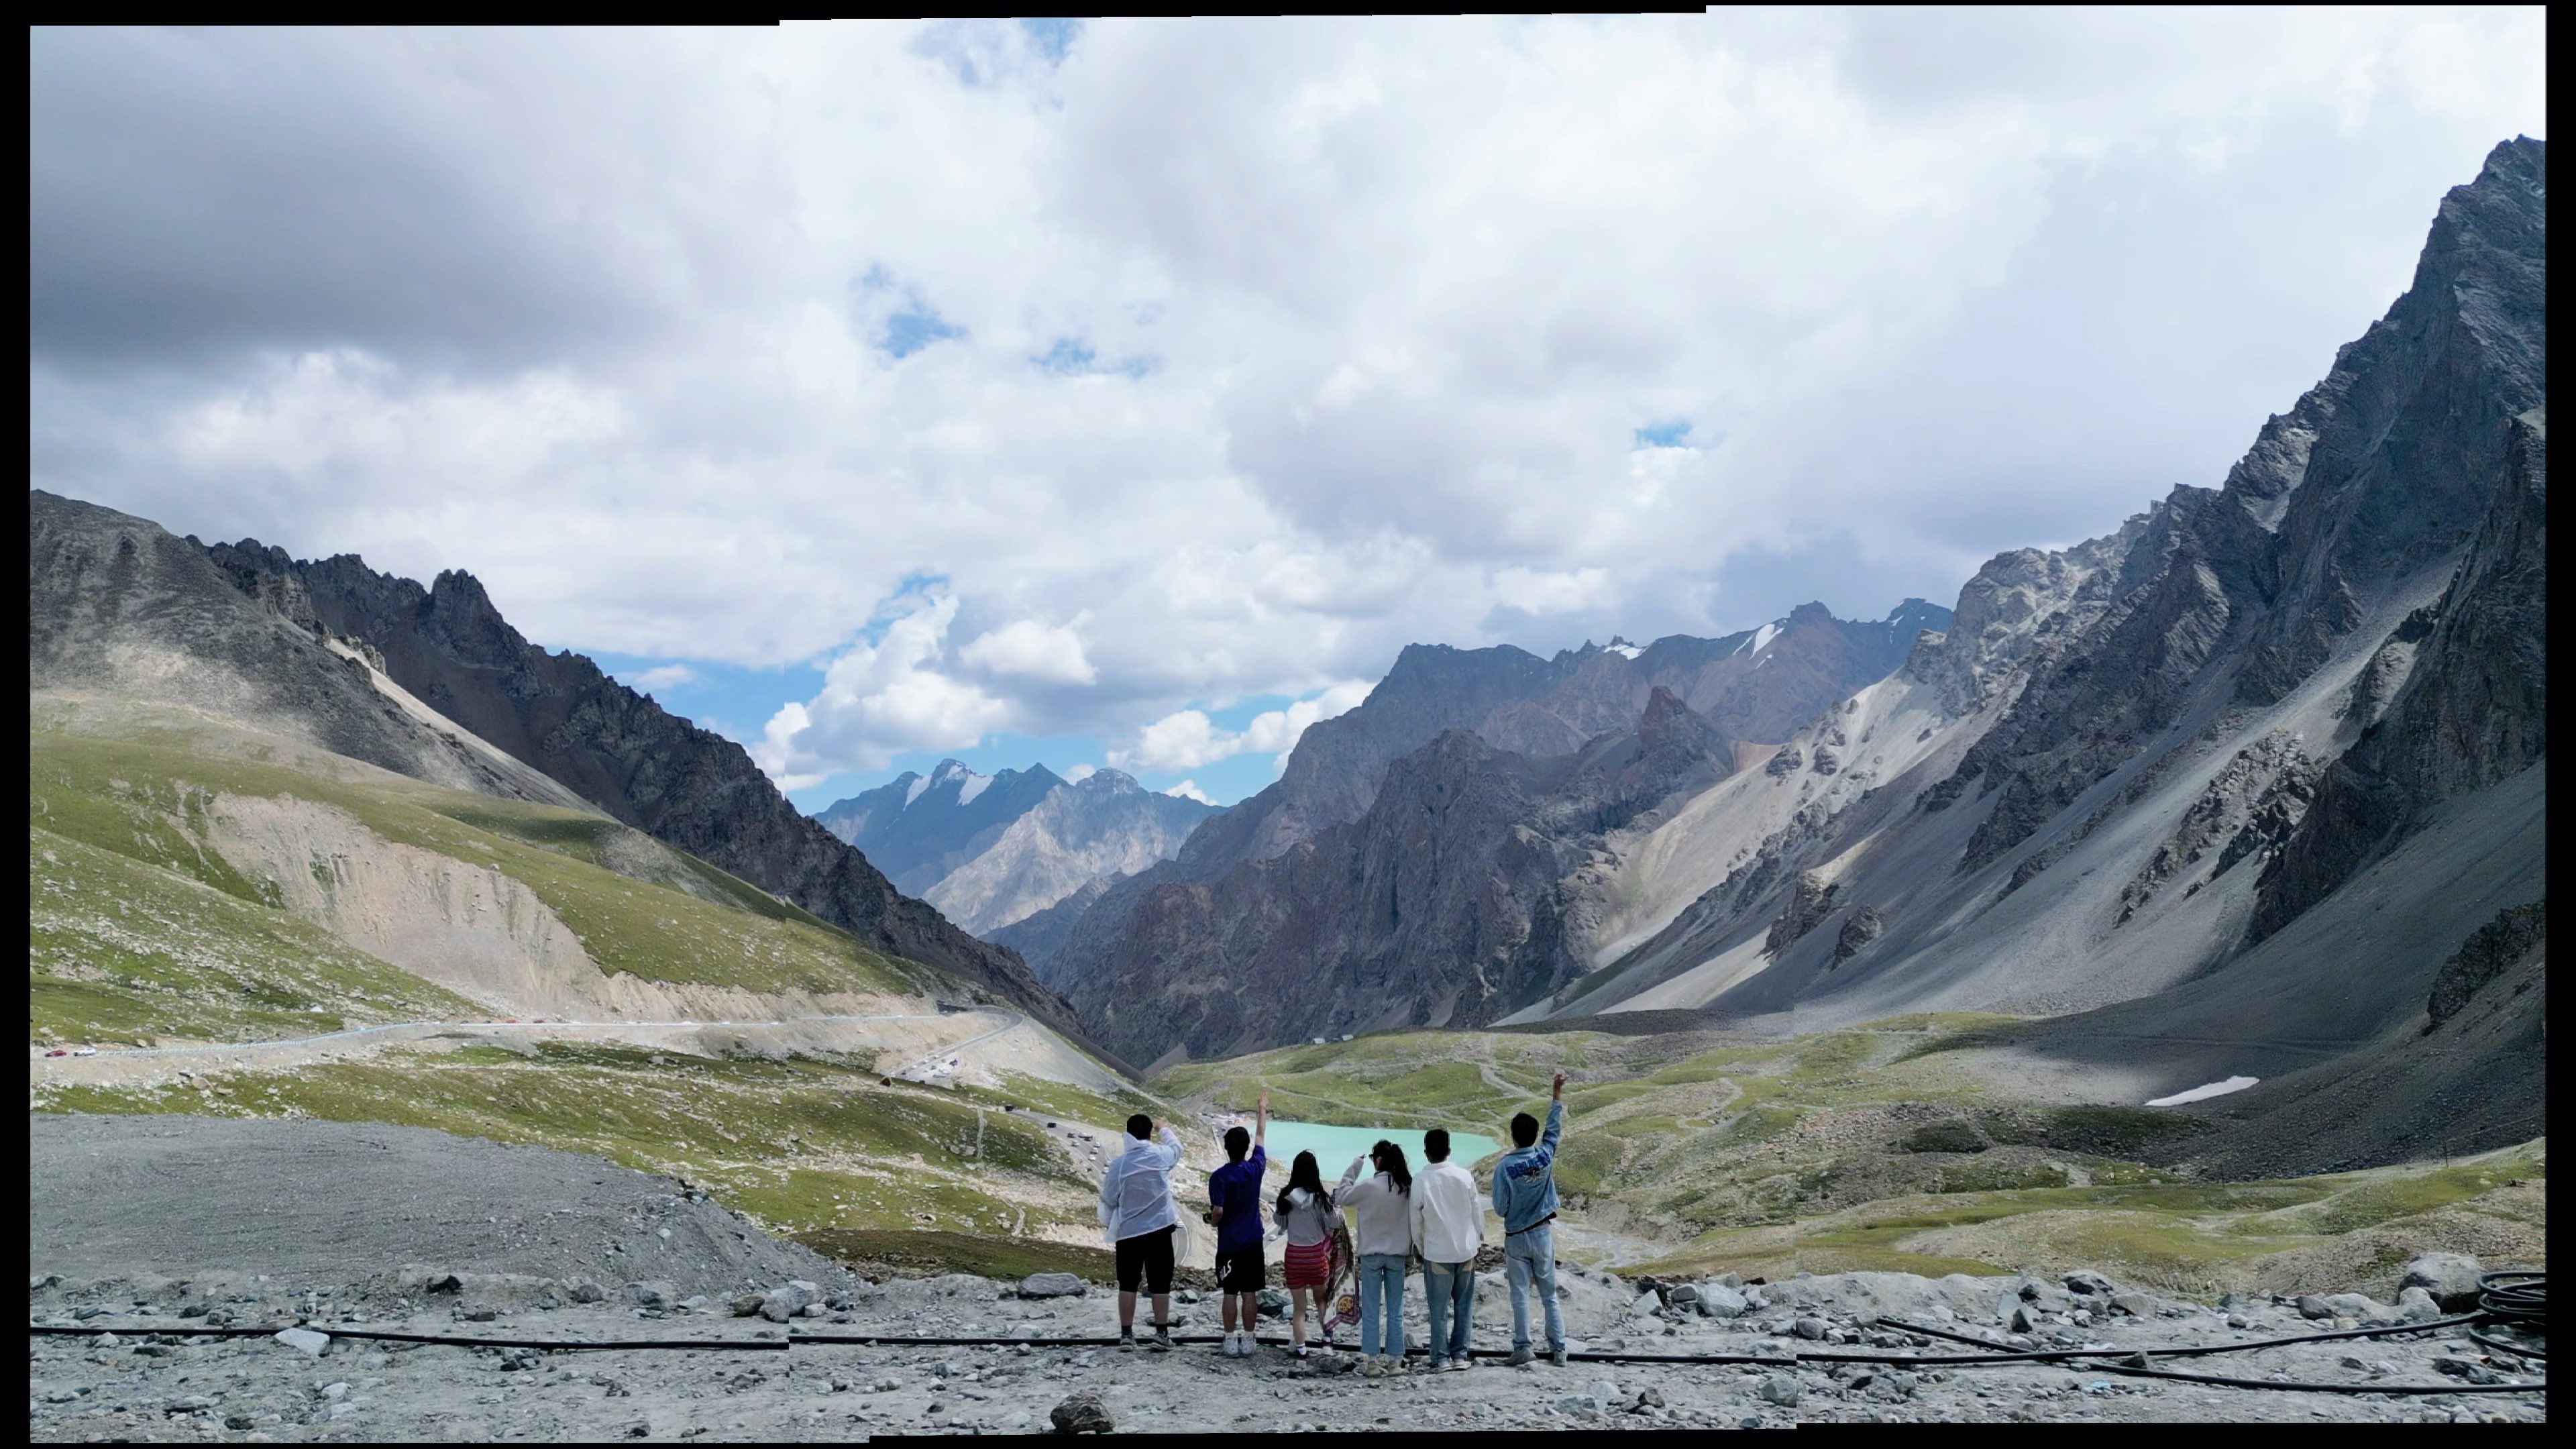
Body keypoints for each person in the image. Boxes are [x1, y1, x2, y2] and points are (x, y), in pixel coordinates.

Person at [1492, 1072, 1568, 1366]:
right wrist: (1556, 1095)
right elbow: (1554, 1132)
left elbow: (1500, 1207)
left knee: (1520, 1294)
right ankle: (1559, 1349)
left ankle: (1523, 1347)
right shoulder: (1545, 1156)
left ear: (1513, 1136)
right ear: (1533, 1136)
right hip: (1542, 1234)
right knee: (1550, 1294)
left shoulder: (1505, 1168)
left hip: (1515, 1238)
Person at [1099, 1111, 1183, 1350]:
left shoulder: (1119, 1164)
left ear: (1128, 1135)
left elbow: (1109, 1197)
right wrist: (1164, 1129)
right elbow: (1178, 1147)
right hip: (1160, 1229)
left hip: (1129, 1233)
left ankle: (1127, 1336)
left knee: (1128, 1283)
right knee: (1160, 1283)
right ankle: (1162, 1334)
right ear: (1148, 1134)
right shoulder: (1161, 1155)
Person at [1337, 1139, 1413, 1377]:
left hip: (1370, 1256)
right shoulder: (1406, 1187)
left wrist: (1354, 1168)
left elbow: (1341, 1196)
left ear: (1377, 1161)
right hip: (1397, 1255)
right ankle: (1394, 1361)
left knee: (1371, 1309)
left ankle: (1371, 1361)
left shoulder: (1369, 1187)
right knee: (1396, 1308)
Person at [1410, 1126, 1482, 1371]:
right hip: (1466, 1250)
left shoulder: (1420, 1180)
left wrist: (1420, 1248)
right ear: (1449, 1151)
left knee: (1438, 1308)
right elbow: (1476, 1214)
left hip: (1437, 1253)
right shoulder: (1464, 1176)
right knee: (1464, 1304)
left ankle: (1440, 1358)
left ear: (1426, 1153)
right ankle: (1461, 1355)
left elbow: (1415, 1220)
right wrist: (1477, 1242)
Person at [1204, 1093, 1270, 1357]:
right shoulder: (1256, 1167)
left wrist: (1211, 1221)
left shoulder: (1219, 1178)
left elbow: (1218, 1211)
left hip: (1229, 1243)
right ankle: (1250, 1339)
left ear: (1226, 1148)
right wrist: (1262, 1109)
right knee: (1250, 1292)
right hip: (1253, 1241)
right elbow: (1262, 1138)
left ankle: (1230, 1340)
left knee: (1230, 1292)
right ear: (1245, 1149)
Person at [1272, 1148, 1336, 1358]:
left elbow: (1279, 1222)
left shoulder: (1286, 1197)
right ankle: (1327, 1343)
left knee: (1299, 1308)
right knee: (1321, 1301)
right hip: (1316, 1256)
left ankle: (1301, 1349)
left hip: (1294, 1256)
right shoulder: (1320, 1198)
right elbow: (1332, 1224)